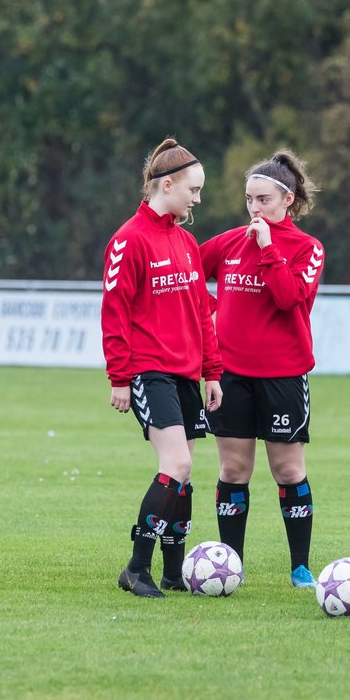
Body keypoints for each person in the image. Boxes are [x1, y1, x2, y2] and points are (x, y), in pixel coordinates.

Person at [101, 138, 223, 598]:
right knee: (177, 463)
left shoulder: (187, 242)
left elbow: (201, 313)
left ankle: (174, 571)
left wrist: (212, 371)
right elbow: (113, 313)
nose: (197, 198)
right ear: (166, 184)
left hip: (186, 374)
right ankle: (136, 567)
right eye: (193, 189)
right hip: (148, 372)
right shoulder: (128, 240)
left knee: (185, 471)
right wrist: (119, 377)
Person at [199, 150, 324, 588]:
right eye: (249, 200)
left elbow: (290, 299)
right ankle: (230, 565)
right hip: (229, 374)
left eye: (264, 200)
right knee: (233, 472)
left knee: (288, 472)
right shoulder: (229, 242)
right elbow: (187, 274)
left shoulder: (307, 249)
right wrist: (212, 312)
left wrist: (269, 250)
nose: (254, 209)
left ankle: (300, 567)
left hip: (284, 376)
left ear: (287, 200)